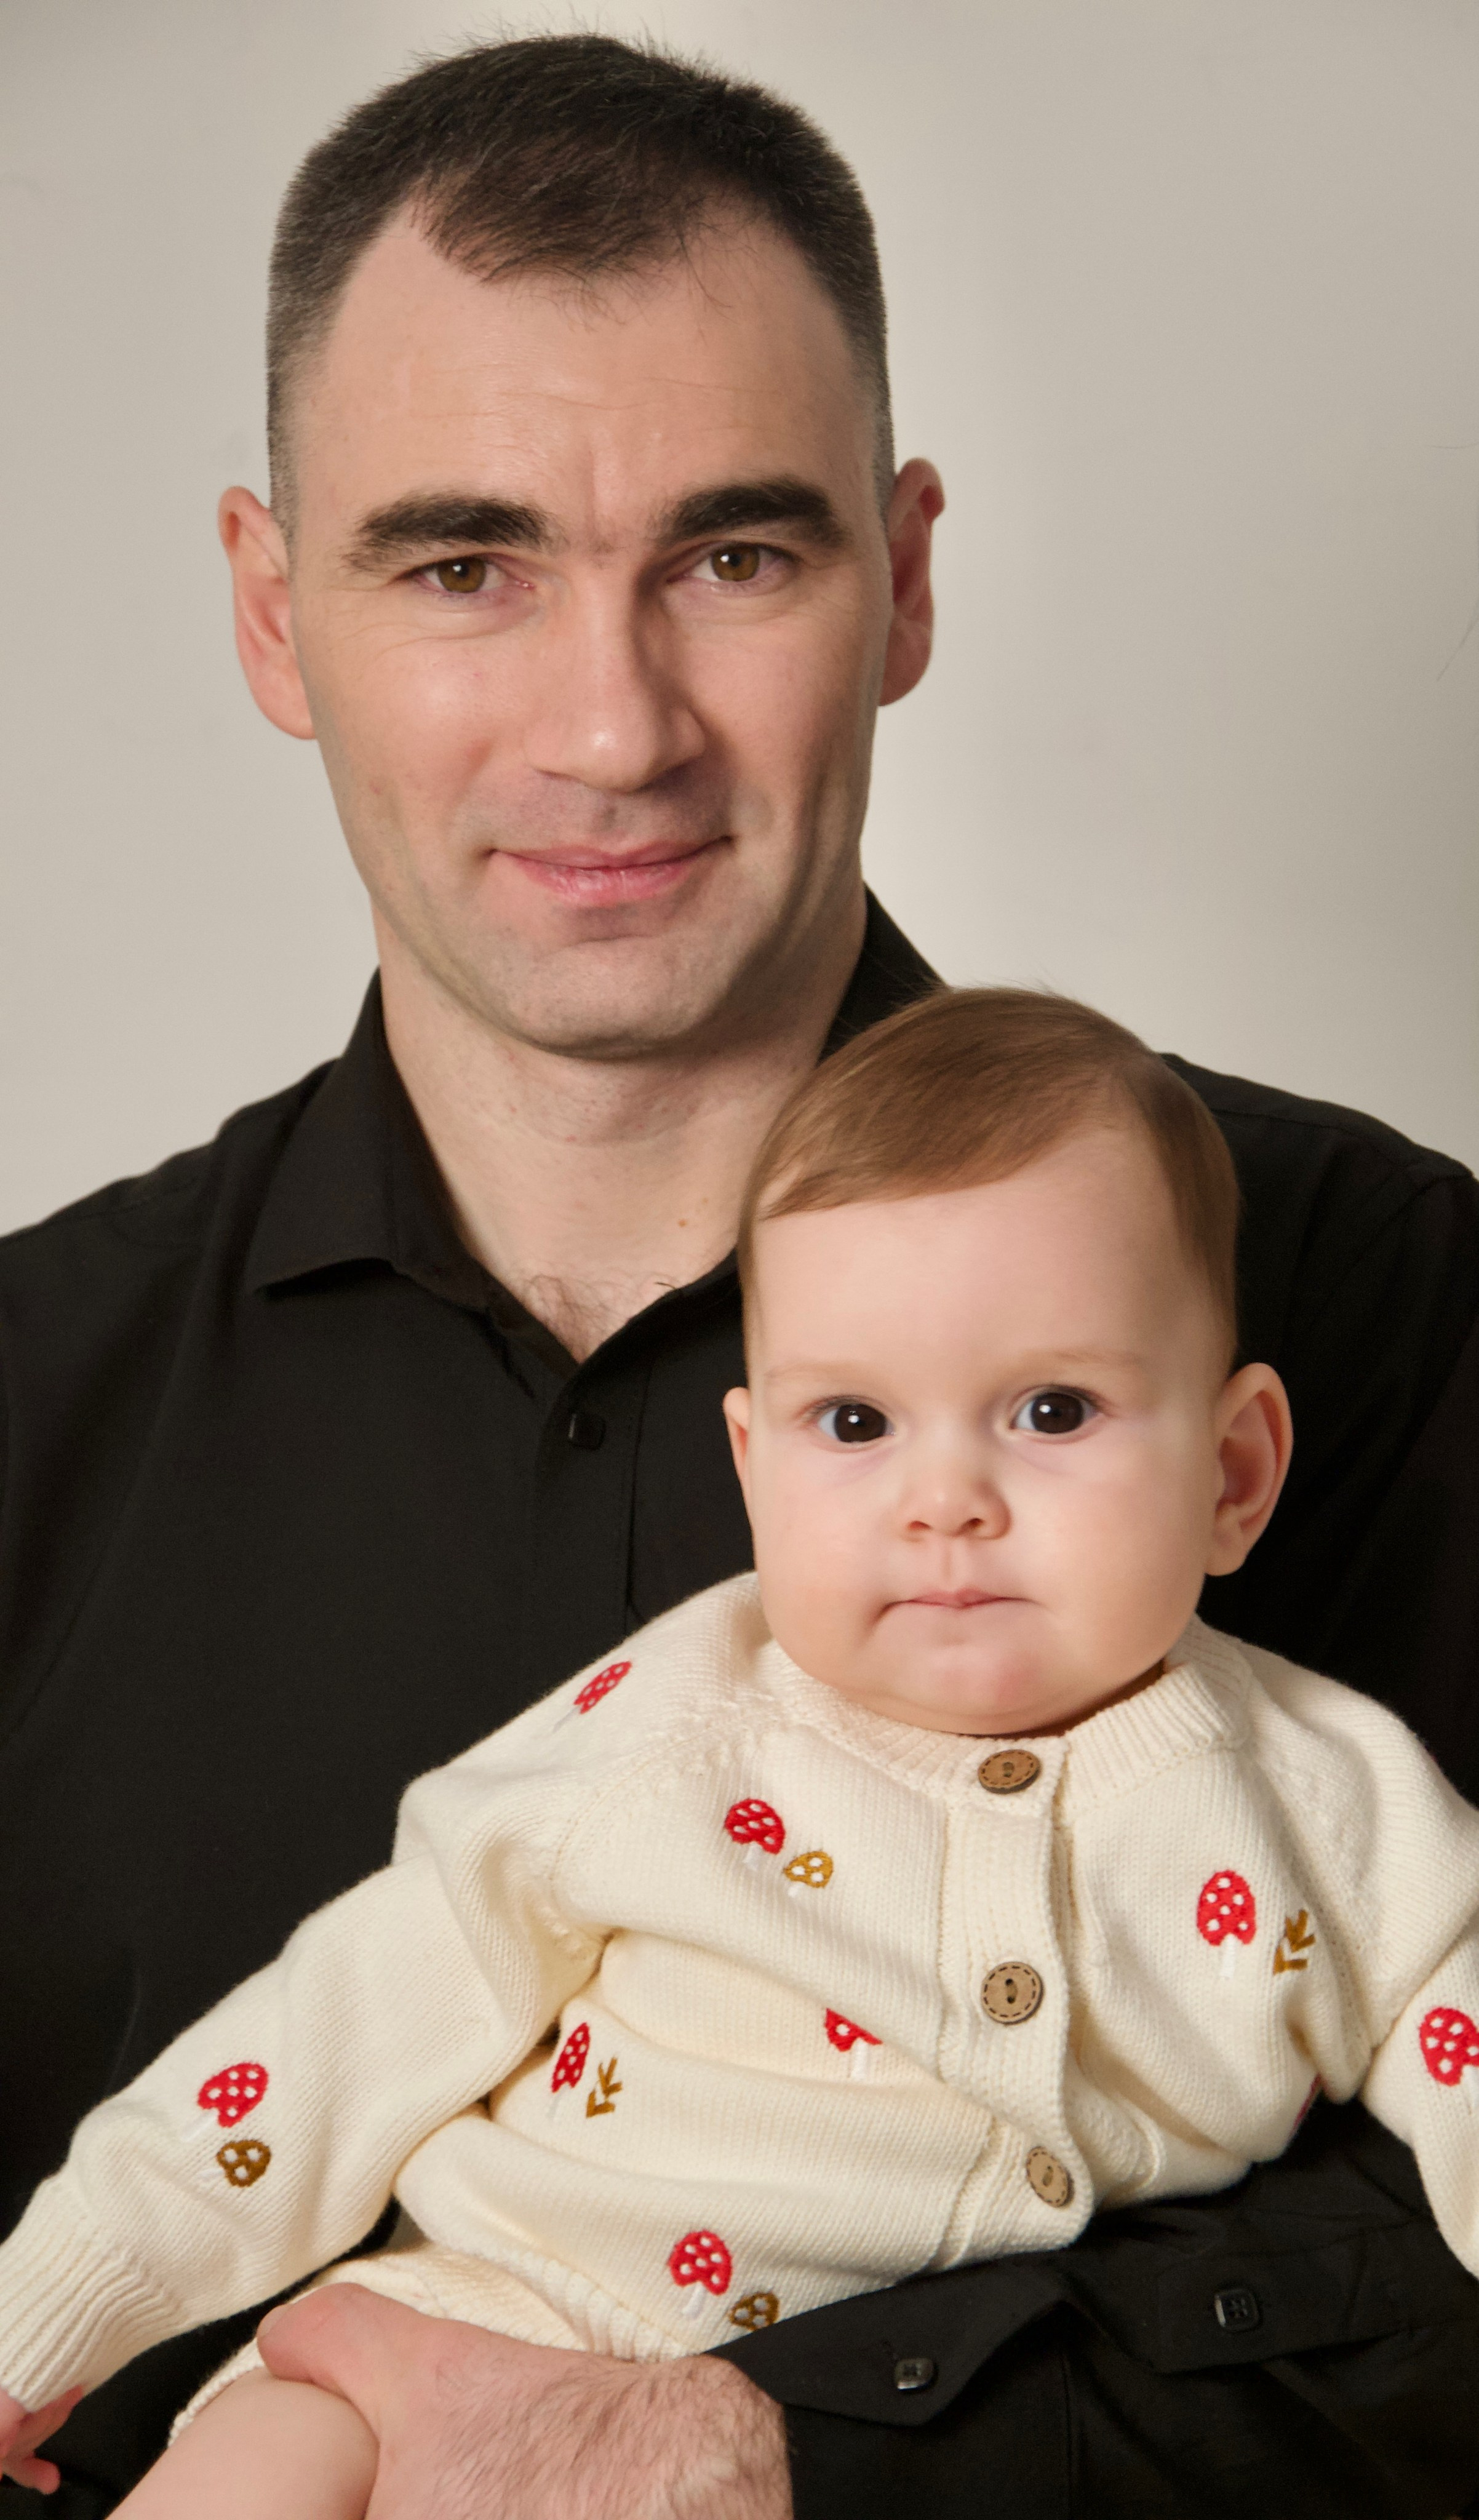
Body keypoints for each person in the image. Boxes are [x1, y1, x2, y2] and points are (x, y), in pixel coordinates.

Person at [1, 31, 1477, 2520]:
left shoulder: (1386, 1304)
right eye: (463, 562)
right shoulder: (30, 1409)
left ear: (903, 579)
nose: (611, 721)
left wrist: (749, 2452)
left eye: (736, 554)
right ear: (275, 616)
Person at [6, 987, 1479, 2520]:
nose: (945, 1497)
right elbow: (333, 2030)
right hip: (489, 2322)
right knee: (262, 2461)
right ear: (752, 1468)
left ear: (1233, 1473)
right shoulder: (674, 1728)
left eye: (1052, 1408)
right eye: (853, 1420)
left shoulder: (1330, 1799)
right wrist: (43, 2316)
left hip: (875, 2450)